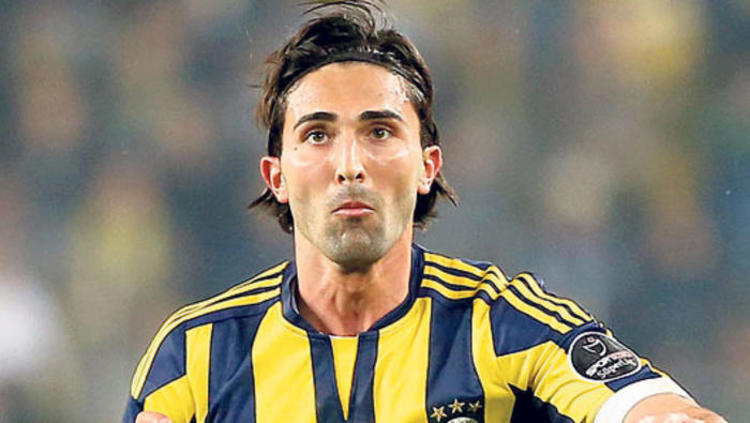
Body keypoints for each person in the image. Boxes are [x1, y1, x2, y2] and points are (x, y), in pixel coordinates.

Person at [125, 2, 727, 422]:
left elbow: (642, 404)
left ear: (427, 167)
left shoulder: (502, 325)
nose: (350, 164)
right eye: (317, 135)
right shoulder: (195, 356)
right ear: (276, 177)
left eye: (380, 131)